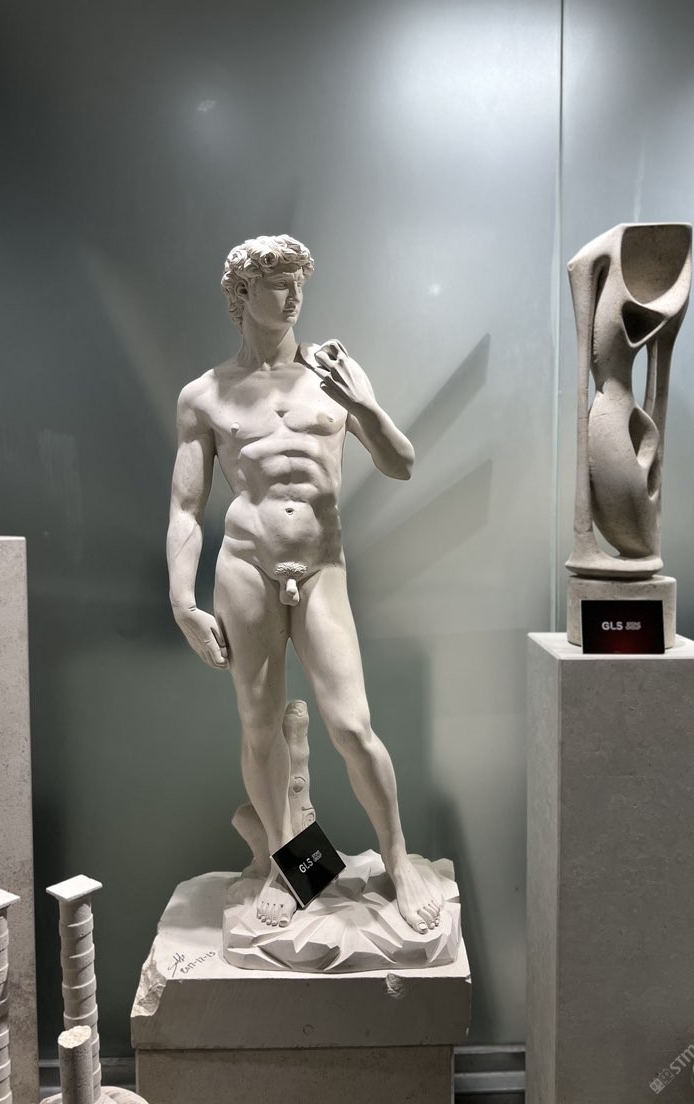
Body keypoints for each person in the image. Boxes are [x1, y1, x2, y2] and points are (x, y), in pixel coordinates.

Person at [166, 234, 442, 934]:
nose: (293, 296)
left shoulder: (332, 373)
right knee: (260, 725)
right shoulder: (205, 394)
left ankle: (399, 857)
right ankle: (292, 862)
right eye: (277, 283)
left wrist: (365, 405)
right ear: (242, 294)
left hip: (321, 564)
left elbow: (402, 462)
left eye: (298, 283)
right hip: (245, 566)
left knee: (351, 724)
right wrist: (182, 601)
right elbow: (186, 509)